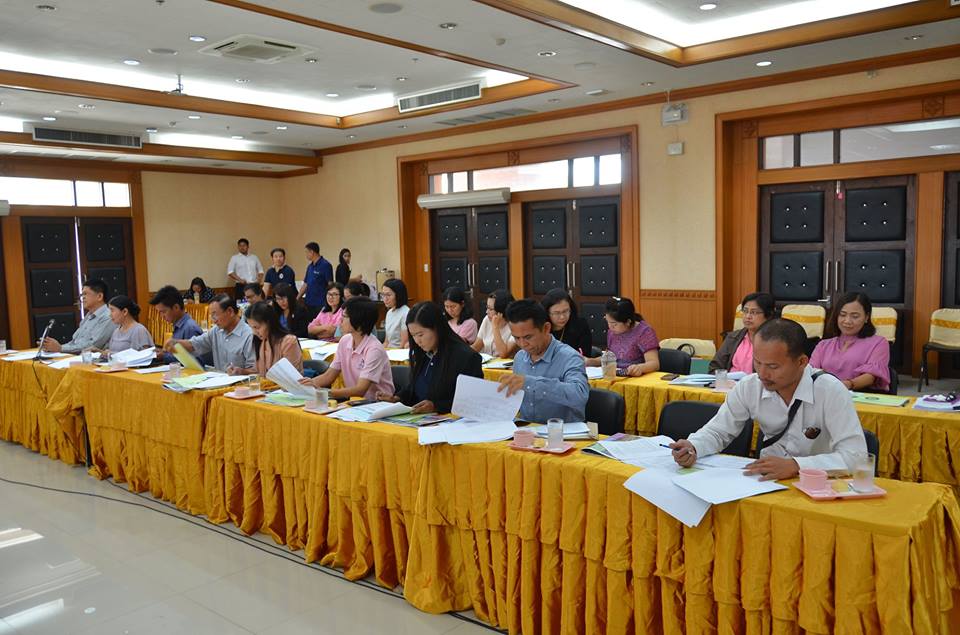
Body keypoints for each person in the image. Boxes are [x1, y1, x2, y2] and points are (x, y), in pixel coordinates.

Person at [672, 319, 868, 480]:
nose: (762, 374)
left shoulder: (830, 391)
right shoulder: (749, 386)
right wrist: (694, 446)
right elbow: (718, 431)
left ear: (801, 362)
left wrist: (796, 465)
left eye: (773, 367)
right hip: (766, 480)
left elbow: (856, 456)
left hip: (817, 484)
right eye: (757, 363)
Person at [377, 302, 483, 413]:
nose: (417, 341)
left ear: (437, 328)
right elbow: (414, 388)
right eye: (413, 336)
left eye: (420, 335)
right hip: (419, 417)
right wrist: (397, 398)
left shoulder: (466, 357)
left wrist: (436, 406)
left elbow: (471, 402)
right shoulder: (423, 352)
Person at [496, 299, 589, 423]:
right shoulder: (520, 357)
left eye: (528, 337)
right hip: (526, 429)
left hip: (562, 432)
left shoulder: (569, 357)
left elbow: (579, 396)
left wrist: (531, 383)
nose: (522, 344)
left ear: (546, 328)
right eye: (516, 338)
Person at [299, 297, 393, 400]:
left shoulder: (374, 349)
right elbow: (329, 376)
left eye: (344, 316)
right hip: (354, 402)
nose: (340, 320)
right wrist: (308, 384)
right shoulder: (345, 340)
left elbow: (360, 390)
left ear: (359, 322)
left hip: (377, 403)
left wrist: (325, 392)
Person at [810, 292, 891, 392]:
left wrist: (848, 384)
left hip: (861, 395)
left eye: (855, 316)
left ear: (866, 317)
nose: (847, 321)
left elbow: (871, 376)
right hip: (826, 394)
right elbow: (812, 373)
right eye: (842, 315)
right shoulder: (823, 345)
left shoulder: (879, 343)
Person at [164, 294, 255, 372]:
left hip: (241, 385)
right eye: (211, 316)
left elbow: (255, 370)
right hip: (219, 382)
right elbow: (195, 344)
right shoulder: (216, 331)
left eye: (215, 315)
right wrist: (176, 342)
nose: (213, 320)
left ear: (230, 311)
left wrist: (242, 371)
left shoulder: (249, 335)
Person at [586, 297, 659, 376]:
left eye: (614, 324)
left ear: (628, 322)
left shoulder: (644, 332)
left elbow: (654, 364)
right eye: (608, 322)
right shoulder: (612, 332)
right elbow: (610, 358)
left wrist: (639, 368)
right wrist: (590, 361)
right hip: (615, 375)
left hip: (636, 377)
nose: (610, 327)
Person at [41, 279, 116, 354]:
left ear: (99, 296)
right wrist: (53, 347)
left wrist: (60, 348)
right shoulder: (88, 316)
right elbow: (73, 343)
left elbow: (93, 345)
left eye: (85, 294)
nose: (82, 297)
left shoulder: (108, 316)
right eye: (82, 295)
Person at [709, 292, 775, 373]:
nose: (748, 316)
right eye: (745, 311)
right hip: (729, 380)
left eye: (753, 312)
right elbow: (715, 366)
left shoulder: (775, 341)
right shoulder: (733, 337)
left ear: (769, 315)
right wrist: (724, 378)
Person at [239, 301, 303, 376]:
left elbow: (291, 375)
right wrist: (242, 371)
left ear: (269, 323)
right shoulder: (261, 341)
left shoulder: (288, 342)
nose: (254, 332)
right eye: (251, 328)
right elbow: (258, 371)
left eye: (257, 327)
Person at [149, 285, 202, 363]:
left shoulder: (190, 328)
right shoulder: (178, 325)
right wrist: (164, 352)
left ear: (176, 307)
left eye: (163, 312)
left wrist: (164, 356)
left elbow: (196, 361)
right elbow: (179, 353)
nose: (162, 316)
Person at [541, 288, 593, 357]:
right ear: (547, 313)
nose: (562, 317)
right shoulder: (540, 328)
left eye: (565, 311)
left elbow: (585, 356)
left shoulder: (580, 325)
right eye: (557, 313)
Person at [472, 289, 518, 358]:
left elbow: (503, 354)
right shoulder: (487, 319)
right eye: (487, 308)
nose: (486, 312)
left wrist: (495, 327)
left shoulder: (515, 325)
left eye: (490, 309)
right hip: (487, 363)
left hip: (504, 364)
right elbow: (477, 346)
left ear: (501, 311)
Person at [298, 242, 333, 314]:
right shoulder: (310, 267)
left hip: (321, 304)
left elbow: (330, 284)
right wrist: (297, 298)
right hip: (309, 302)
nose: (306, 255)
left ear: (312, 252)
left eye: (306, 252)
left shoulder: (326, 265)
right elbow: (305, 284)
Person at [381, 278, 409, 348]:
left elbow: (403, 344)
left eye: (388, 295)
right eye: (383, 295)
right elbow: (386, 342)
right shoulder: (389, 313)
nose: (385, 299)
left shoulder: (405, 313)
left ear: (398, 295)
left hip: (398, 352)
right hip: (389, 350)